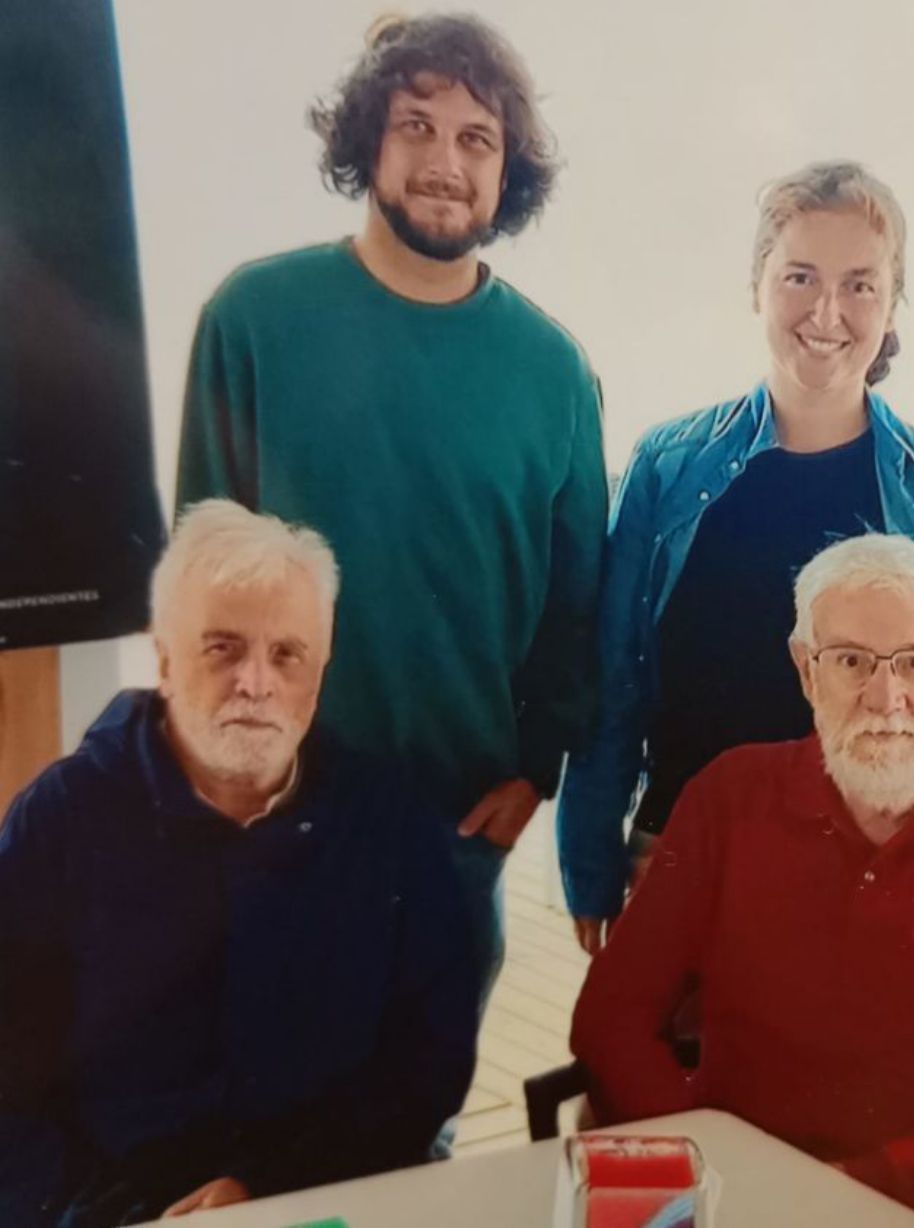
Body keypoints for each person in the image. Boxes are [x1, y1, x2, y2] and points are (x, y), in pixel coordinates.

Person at [174, 13, 607, 1001]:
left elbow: (573, 614)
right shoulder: (254, 320)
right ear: (368, 135)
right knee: (243, 1130)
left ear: (508, 170)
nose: (443, 161)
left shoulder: (554, 373)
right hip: (267, 824)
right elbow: (196, 578)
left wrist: (533, 771)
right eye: (415, 125)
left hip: (450, 841)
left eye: (475, 138)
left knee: (418, 1132)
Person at [572, 534, 914, 1228]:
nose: (885, 698)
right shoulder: (730, 796)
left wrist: (857, 1189)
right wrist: (716, 1166)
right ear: (806, 670)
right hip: (740, 1201)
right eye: (850, 661)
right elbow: (611, 1017)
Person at [557, 161, 914, 950]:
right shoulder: (667, 468)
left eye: (861, 284)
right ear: (757, 287)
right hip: (685, 859)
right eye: (800, 276)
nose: (828, 312)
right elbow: (613, 681)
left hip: (885, 873)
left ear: (892, 301)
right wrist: (590, 860)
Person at [0, 500, 477, 1227]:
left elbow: (429, 1060)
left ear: (320, 670)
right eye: (222, 648)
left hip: (325, 1193)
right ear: (163, 659)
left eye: (287, 654)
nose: (256, 683)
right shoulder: (59, 823)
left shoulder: (390, 824)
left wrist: (274, 1187)